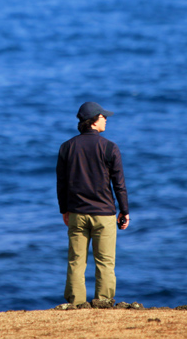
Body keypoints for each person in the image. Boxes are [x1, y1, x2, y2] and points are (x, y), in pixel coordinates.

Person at [56, 101, 130, 307]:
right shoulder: (109, 147)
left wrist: (64, 210)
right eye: (103, 116)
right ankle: (104, 303)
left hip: (77, 213)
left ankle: (75, 303)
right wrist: (124, 211)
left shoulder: (67, 147)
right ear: (93, 121)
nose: (106, 119)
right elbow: (119, 184)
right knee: (105, 262)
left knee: (76, 261)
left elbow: (61, 184)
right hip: (104, 214)